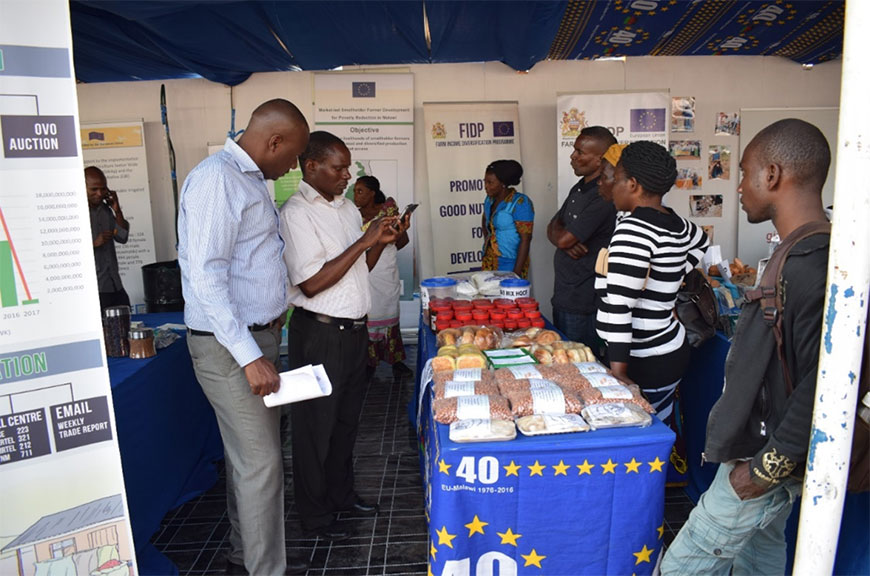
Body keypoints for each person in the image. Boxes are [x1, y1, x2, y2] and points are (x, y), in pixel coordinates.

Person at [661, 119, 833, 575]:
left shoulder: (813, 265)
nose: (738, 186)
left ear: (772, 175)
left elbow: (823, 387)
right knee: (760, 557)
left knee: (680, 566)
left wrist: (763, 470)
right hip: (758, 454)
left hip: (763, 462)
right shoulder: (798, 252)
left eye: (744, 173)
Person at [177, 99, 310, 576]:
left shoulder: (250, 179)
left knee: (247, 462)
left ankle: (243, 556)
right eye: (292, 155)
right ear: (273, 141)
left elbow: (253, 263)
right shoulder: (218, 180)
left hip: (254, 339)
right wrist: (250, 356)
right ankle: (263, 570)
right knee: (262, 464)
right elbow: (207, 278)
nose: (293, 165)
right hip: (232, 347)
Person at [280, 131, 405, 541]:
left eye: (348, 167)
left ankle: (341, 496)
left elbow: (355, 272)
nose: (346, 175)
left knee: (346, 424)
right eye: (338, 167)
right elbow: (313, 284)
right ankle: (314, 515)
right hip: (318, 336)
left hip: (353, 333)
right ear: (311, 166)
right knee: (315, 429)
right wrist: (365, 240)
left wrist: (377, 243)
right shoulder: (296, 212)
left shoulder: (348, 208)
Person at [595, 141, 709, 425]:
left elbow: (619, 308)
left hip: (642, 359)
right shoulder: (675, 222)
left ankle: (663, 470)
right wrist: (667, 278)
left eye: (617, 179)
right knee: (665, 420)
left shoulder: (633, 230)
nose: (612, 186)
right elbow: (702, 241)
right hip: (669, 346)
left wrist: (619, 373)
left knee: (644, 434)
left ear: (633, 184)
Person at [548, 126, 617, 347]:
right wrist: (563, 239)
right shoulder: (579, 188)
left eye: (580, 152)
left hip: (584, 302)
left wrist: (563, 240)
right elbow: (553, 226)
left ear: (600, 159)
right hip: (565, 294)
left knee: (580, 367)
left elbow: (562, 238)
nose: (573, 156)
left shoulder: (603, 197)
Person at [353, 175, 413, 379]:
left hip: (385, 270)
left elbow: (402, 241)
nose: (355, 195)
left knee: (388, 314)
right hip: (364, 270)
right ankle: (369, 362)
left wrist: (399, 229)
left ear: (372, 193)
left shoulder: (387, 211)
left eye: (360, 191)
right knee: (368, 316)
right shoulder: (351, 214)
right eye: (354, 191)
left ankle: (396, 361)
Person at [480, 159, 534, 278]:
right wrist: (488, 244)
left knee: (508, 296)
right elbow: (485, 222)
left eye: (490, 183)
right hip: (489, 261)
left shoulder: (520, 203)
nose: (486, 186)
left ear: (503, 184)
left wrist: (516, 273)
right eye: (485, 181)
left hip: (511, 262)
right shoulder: (489, 200)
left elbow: (526, 239)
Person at [86, 166, 130, 310]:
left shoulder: (105, 210)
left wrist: (116, 209)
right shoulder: (73, 213)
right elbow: (65, 253)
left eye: (103, 189)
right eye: (94, 189)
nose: (99, 193)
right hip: (94, 290)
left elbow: (122, 237)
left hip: (115, 285)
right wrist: (93, 244)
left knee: (127, 322)